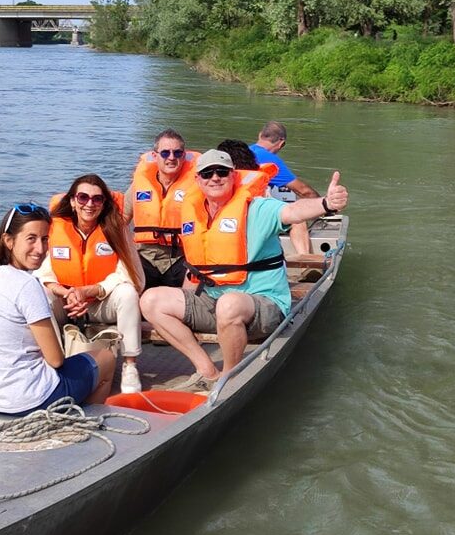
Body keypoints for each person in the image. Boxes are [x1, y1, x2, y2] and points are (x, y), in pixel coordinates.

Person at [140, 149, 348, 391]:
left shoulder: (258, 207)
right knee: (151, 300)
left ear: (233, 176)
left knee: (229, 304)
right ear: (197, 180)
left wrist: (326, 203)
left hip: (264, 304)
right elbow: (194, 271)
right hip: (215, 300)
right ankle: (207, 371)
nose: (214, 178)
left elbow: (292, 212)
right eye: (207, 173)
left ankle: (229, 378)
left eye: (222, 172)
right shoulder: (195, 213)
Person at [0, 202, 116, 414]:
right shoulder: (27, 285)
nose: (41, 249)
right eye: (31, 239)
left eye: (45, 239)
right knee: (106, 359)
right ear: (8, 241)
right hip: (29, 399)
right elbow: (55, 359)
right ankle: (79, 423)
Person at [36, 174, 146, 393]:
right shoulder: (54, 229)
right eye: (83, 197)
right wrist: (67, 293)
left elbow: (133, 276)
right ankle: (49, 361)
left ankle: (130, 365)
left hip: (102, 303)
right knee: (39, 294)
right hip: (66, 302)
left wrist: (91, 290)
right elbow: (43, 273)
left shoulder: (116, 229)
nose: (89, 204)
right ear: (73, 201)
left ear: (104, 203)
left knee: (127, 293)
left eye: (97, 199)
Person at [124, 128, 199, 289]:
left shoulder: (198, 186)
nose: (171, 158)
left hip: (181, 257)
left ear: (184, 156)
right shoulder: (139, 185)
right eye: (165, 153)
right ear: (155, 155)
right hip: (145, 257)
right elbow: (120, 220)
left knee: (194, 286)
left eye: (177, 153)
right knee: (126, 285)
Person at [249, 121, 322, 254]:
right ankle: (305, 260)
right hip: (253, 212)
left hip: (237, 206)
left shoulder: (244, 152)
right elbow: (303, 191)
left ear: (260, 135)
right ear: (281, 143)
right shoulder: (269, 159)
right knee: (298, 220)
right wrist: (323, 206)